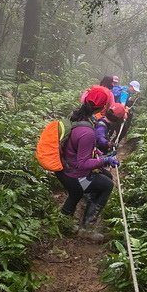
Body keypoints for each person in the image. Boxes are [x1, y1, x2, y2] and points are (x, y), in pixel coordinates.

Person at [55, 86, 120, 241]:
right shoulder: (87, 131)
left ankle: (63, 222)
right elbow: (84, 163)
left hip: (63, 168)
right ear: (103, 107)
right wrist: (105, 160)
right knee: (107, 185)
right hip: (74, 174)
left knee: (78, 192)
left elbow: (77, 147)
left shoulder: (76, 117)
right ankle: (87, 228)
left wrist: (97, 153)